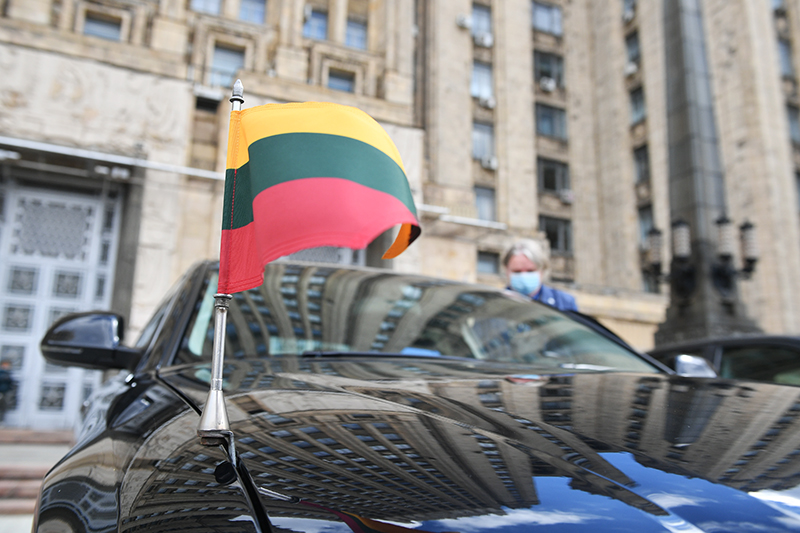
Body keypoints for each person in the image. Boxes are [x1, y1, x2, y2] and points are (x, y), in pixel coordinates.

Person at [502, 239, 578, 311]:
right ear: (507, 270)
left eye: (530, 271)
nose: (523, 276)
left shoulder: (564, 302)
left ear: (542, 270)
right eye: (517, 271)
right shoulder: (496, 303)